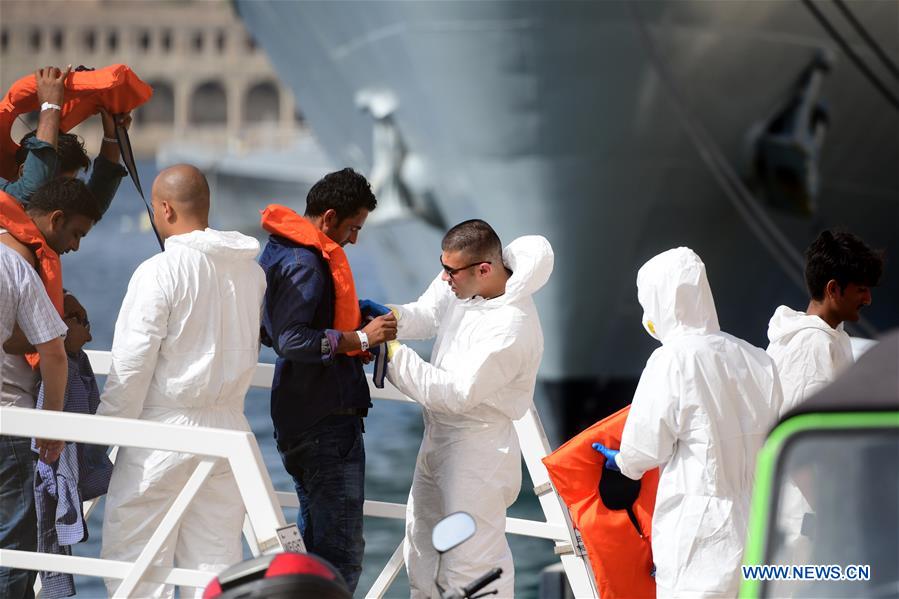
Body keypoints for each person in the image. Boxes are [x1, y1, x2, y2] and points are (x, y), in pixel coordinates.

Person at [97, 164, 266, 598]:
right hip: (228, 430)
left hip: (163, 433)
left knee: (135, 565)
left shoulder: (159, 271)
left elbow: (132, 366)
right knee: (215, 563)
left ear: (166, 209)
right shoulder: (251, 273)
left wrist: (102, 436)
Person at [592, 247, 782, 598]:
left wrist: (623, 462)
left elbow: (646, 446)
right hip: (760, 522)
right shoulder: (756, 357)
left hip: (701, 534)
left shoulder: (670, 360)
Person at [385, 219, 554, 598]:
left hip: (478, 453)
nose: (444, 278)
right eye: (442, 267)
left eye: (451, 271)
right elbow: (428, 313)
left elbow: (455, 394)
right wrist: (388, 317)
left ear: (484, 269)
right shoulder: (465, 283)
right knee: (422, 550)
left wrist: (390, 353)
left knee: (471, 564)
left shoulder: (512, 326)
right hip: (440, 439)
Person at [258, 167, 395, 592]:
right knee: (341, 556)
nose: (354, 240)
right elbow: (291, 339)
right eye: (353, 228)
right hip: (325, 426)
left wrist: (352, 317)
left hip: (298, 419)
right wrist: (361, 337)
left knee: (315, 546)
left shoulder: (281, 251)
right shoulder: (306, 263)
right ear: (330, 217)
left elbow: (269, 329)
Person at [0, 243, 69, 599]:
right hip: (9, 422)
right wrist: (51, 423)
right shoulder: (11, 264)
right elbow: (53, 352)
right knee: (13, 544)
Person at [767, 230, 884, 414]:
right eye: (861, 290)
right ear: (833, 289)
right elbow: (807, 425)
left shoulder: (827, 336)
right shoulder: (811, 345)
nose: (868, 299)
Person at [2, 67, 131, 211]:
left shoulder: (58, 213)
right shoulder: (5, 202)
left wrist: (112, 138)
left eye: (71, 185)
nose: (67, 198)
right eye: (60, 187)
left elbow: (92, 206)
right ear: (23, 172)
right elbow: (29, 192)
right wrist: (50, 105)